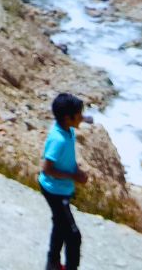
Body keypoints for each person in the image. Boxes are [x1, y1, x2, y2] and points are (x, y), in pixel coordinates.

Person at [38, 92, 88, 270]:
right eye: (79, 114)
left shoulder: (69, 131)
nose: (82, 117)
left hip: (61, 188)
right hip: (55, 191)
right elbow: (48, 169)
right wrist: (73, 176)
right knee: (74, 236)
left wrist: (77, 171)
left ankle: (52, 263)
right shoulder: (58, 139)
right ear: (68, 118)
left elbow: (67, 159)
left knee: (60, 226)